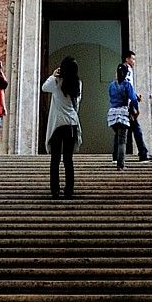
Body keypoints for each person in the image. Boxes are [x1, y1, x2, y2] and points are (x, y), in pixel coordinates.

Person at [42, 56, 83, 199]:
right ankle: (69, 190)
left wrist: (53, 75)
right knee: (68, 159)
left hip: (58, 126)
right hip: (71, 124)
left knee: (55, 159)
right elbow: (78, 103)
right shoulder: (78, 83)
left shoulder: (56, 82)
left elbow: (44, 87)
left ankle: (55, 190)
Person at [107, 61, 140, 168]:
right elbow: (133, 99)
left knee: (117, 135)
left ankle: (114, 157)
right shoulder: (127, 85)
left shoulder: (111, 85)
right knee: (122, 141)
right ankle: (121, 164)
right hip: (122, 113)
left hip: (112, 113)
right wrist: (136, 111)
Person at [121, 50, 152, 162]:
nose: (134, 62)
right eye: (132, 59)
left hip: (122, 103)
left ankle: (116, 155)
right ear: (127, 59)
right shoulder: (127, 70)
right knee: (136, 129)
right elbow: (128, 86)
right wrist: (134, 103)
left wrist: (134, 95)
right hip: (128, 104)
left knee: (122, 129)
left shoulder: (121, 71)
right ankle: (143, 153)